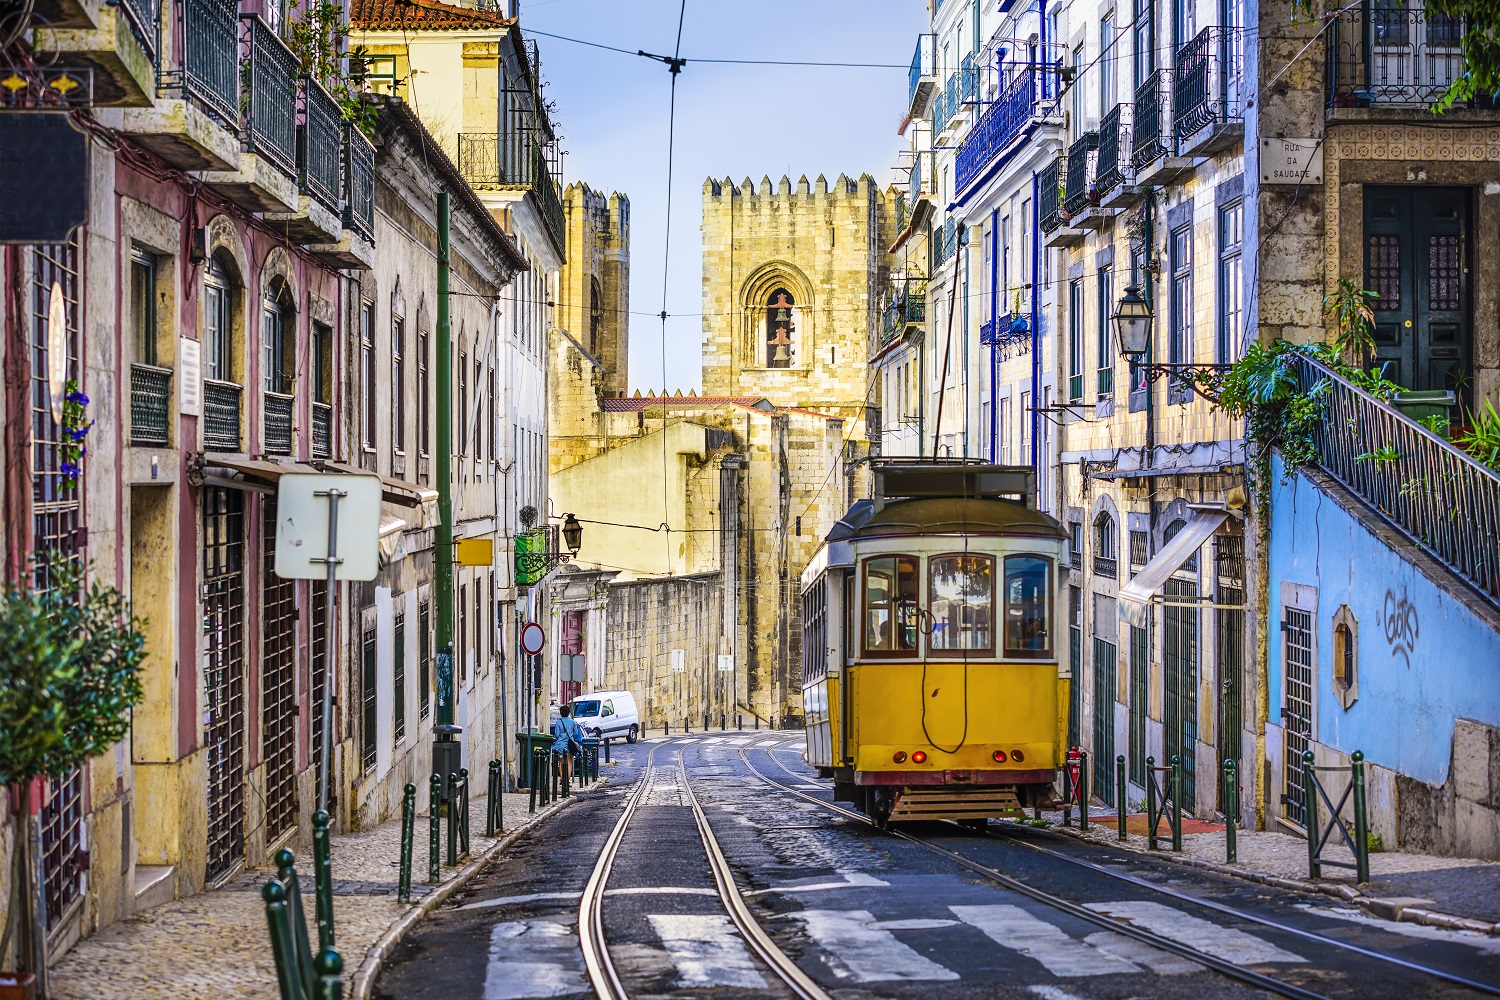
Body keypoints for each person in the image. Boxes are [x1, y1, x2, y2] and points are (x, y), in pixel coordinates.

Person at [550, 702, 586, 784]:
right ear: (569, 713)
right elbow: (576, 733)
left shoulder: (558, 722)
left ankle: (562, 779)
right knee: (569, 762)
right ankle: (568, 780)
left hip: (560, 745)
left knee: (561, 762)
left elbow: (557, 734)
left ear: (561, 713)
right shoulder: (573, 722)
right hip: (570, 745)